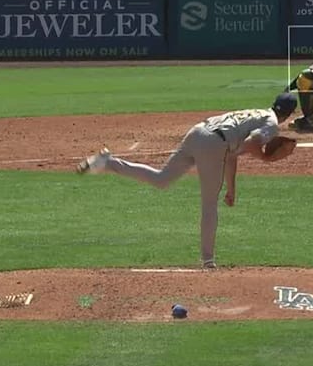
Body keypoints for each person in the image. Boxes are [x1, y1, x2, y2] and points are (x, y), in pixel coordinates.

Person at [76, 92, 299, 269]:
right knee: (209, 204)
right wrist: (265, 158)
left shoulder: (257, 113)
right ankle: (208, 260)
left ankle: (108, 162)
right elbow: (251, 143)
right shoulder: (271, 124)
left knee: (161, 179)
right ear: (290, 114)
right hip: (214, 144)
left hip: (198, 133)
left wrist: (231, 189)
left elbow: (232, 155)